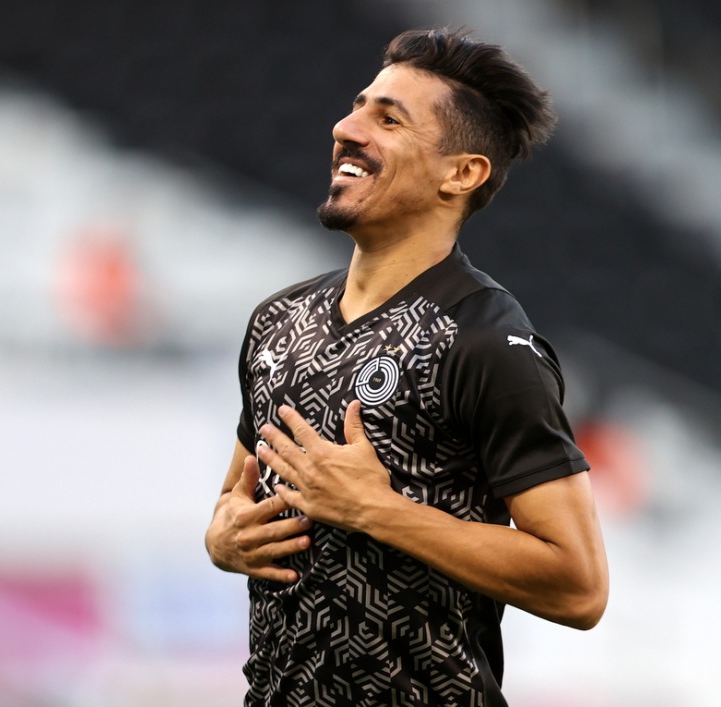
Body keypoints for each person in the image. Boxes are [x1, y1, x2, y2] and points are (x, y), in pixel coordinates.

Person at [204, 27, 609, 707]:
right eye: (358, 106)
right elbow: (233, 499)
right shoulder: (278, 322)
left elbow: (579, 583)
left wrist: (377, 509)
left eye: (387, 118)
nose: (346, 127)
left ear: (462, 172)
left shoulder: (484, 339)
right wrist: (222, 535)